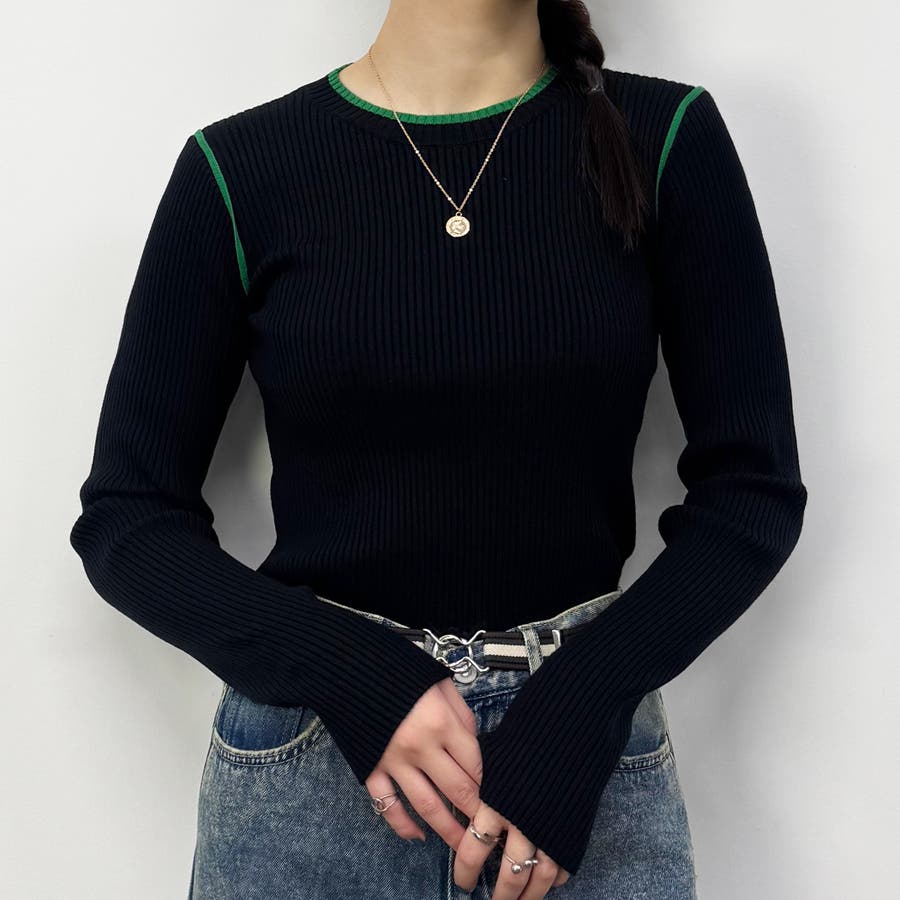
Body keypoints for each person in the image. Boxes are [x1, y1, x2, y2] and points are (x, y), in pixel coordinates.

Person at [69, 1, 808, 898]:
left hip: (577, 771)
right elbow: (128, 520)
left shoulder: (664, 135)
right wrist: (346, 672)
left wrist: (588, 696)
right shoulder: (241, 168)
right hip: (312, 769)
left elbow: (752, 489)